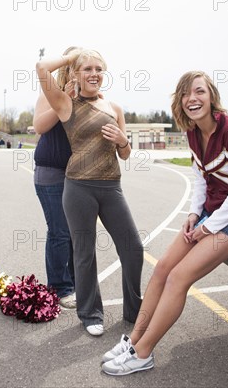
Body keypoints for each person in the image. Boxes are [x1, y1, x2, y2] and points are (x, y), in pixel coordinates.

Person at [100, 71, 228, 375]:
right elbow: (200, 180)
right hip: (209, 216)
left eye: (198, 91)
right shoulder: (192, 133)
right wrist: (192, 215)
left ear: (211, 95)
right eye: (185, 94)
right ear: (180, 101)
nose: (192, 99)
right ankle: (134, 340)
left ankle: (144, 354)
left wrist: (209, 227)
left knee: (178, 278)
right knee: (162, 268)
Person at [36, 49, 143, 336]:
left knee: (133, 248)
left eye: (99, 68)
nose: (94, 73)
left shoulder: (115, 108)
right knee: (84, 253)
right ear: (75, 74)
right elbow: (41, 67)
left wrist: (123, 141)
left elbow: (126, 155)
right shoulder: (65, 103)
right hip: (78, 186)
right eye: (87, 69)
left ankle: (134, 310)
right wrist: (72, 58)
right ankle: (90, 313)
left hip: (111, 186)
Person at [32, 47, 79, 310]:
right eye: (74, 65)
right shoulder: (49, 94)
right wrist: (65, 97)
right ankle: (60, 288)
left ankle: (72, 281)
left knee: (74, 232)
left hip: (75, 174)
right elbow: (40, 126)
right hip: (50, 173)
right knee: (60, 232)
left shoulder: (89, 97)